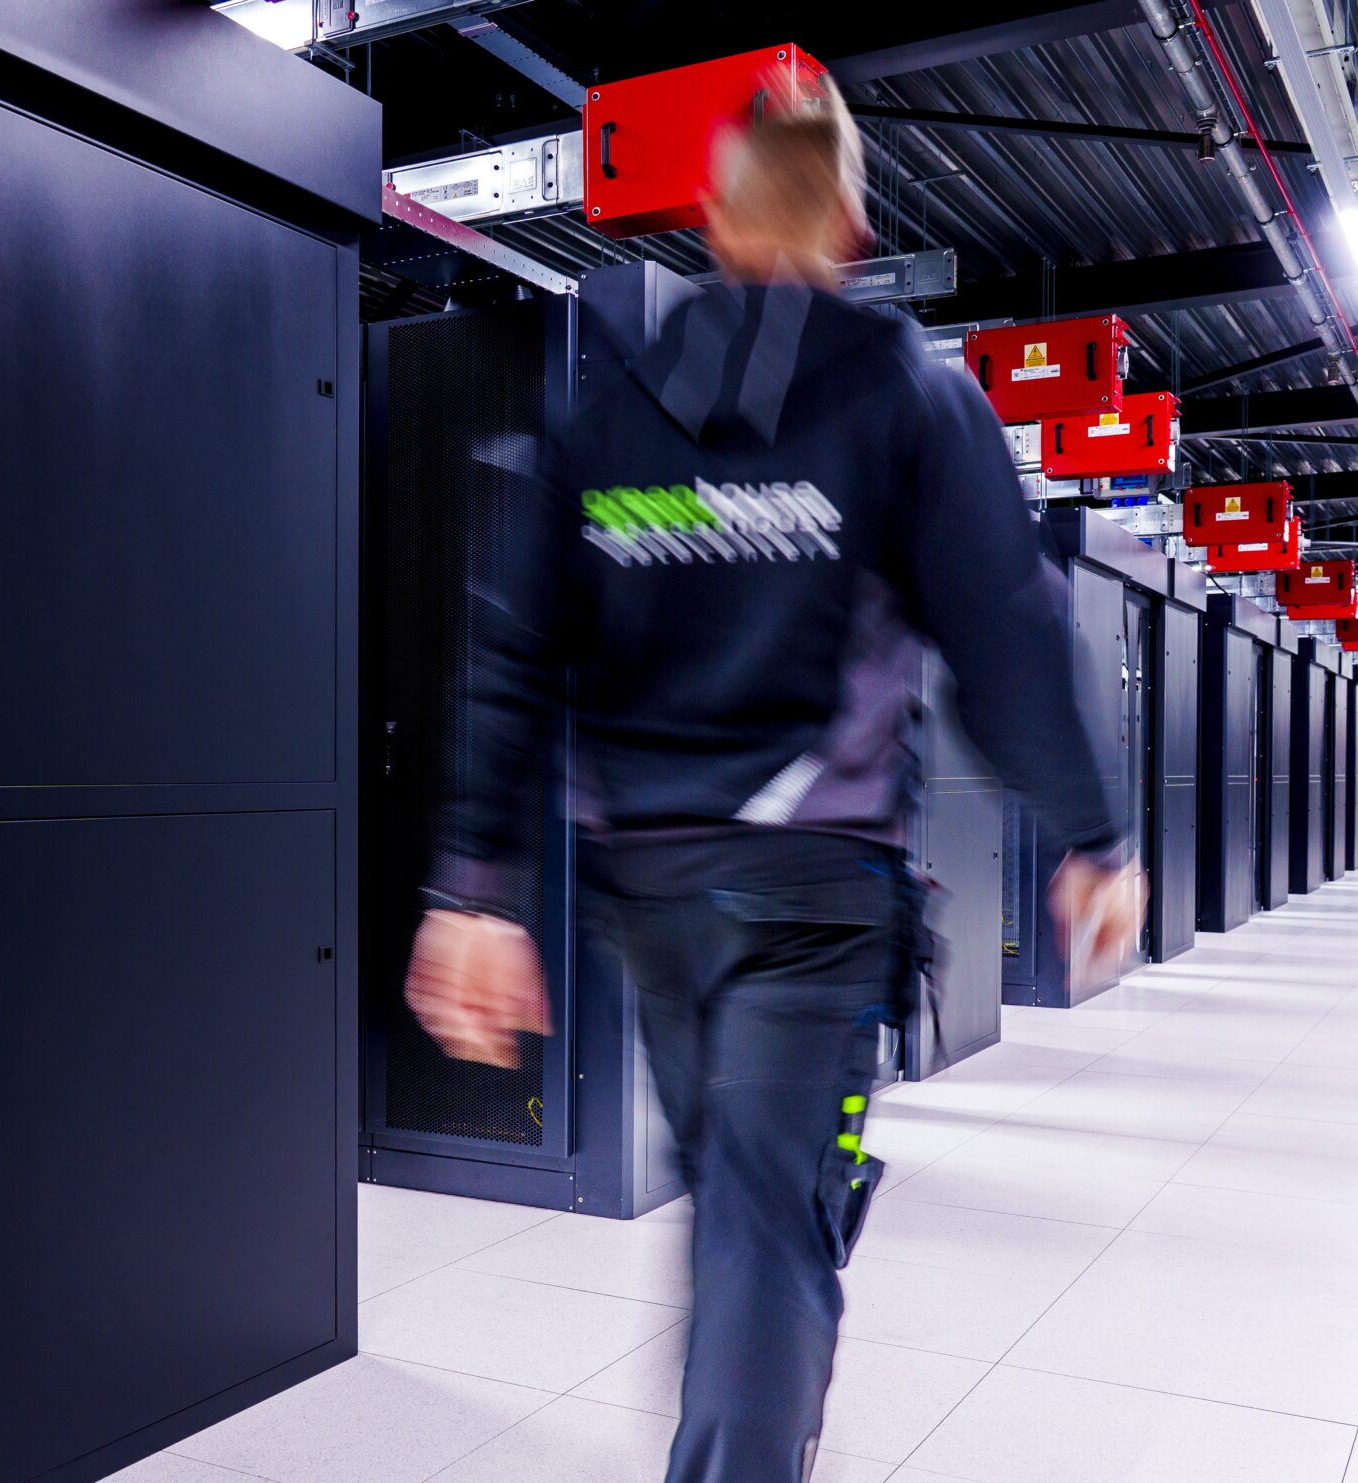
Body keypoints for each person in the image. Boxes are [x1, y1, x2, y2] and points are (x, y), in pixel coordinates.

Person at [403, 74, 1144, 1483]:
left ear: (716, 217)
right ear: (849, 221)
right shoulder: (908, 400)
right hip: (812, 895)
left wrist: (474, 887)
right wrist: (1093, 834)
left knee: (752, 1194)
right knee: (761, 1226)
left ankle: (799, 1238)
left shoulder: (605, 417)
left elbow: (511, 655)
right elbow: (1006, 635)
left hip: (652, 898)